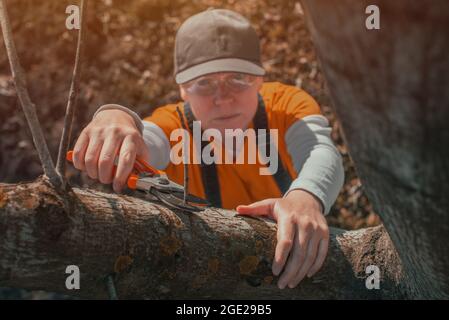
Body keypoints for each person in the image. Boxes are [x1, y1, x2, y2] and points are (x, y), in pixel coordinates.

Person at [71, 8, 344, 289]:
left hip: (300, 267)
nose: (223, 99)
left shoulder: (287, 105)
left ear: (260, 78)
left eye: (238, 77)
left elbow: (320, 151)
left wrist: (306, 198)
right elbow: (143, 142)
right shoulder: (174, 125)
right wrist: (118, 117)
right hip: (212, 280)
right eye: (203, 83)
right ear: (182, 90)